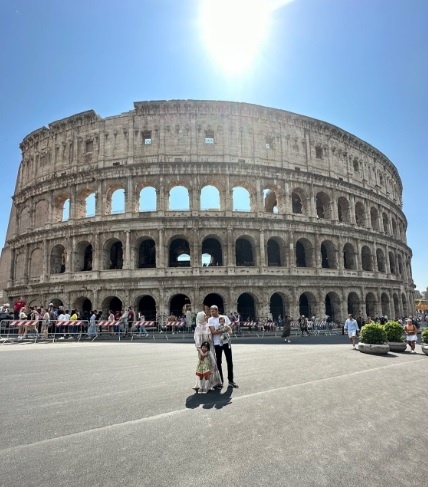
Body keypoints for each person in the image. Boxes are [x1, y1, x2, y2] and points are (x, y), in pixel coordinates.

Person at [208, 305, 238, 388]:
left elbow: (229, 326)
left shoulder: (224, 317)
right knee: (219, 362)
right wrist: (224, 330)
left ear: (217, 311)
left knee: (230, 361)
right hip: (217, 343)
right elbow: (213, 332)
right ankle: (220, 381)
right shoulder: (210, 320)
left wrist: (227, 329)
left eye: (213, 311)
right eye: (210, 311)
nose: (211, 313)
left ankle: (231, 380)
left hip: (226, 342)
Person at [193, 311, 221, 392]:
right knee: (203, 367)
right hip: (203, 350)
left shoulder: (208, 325)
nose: (206, 317)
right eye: (204, 316)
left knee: (211, 365)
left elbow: (211, 336)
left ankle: (213, 383)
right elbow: (197, 341)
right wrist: (200, 351)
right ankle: (203, 386)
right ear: (201, 317)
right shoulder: (198, 327)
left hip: (210, 349)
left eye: (206, 315)